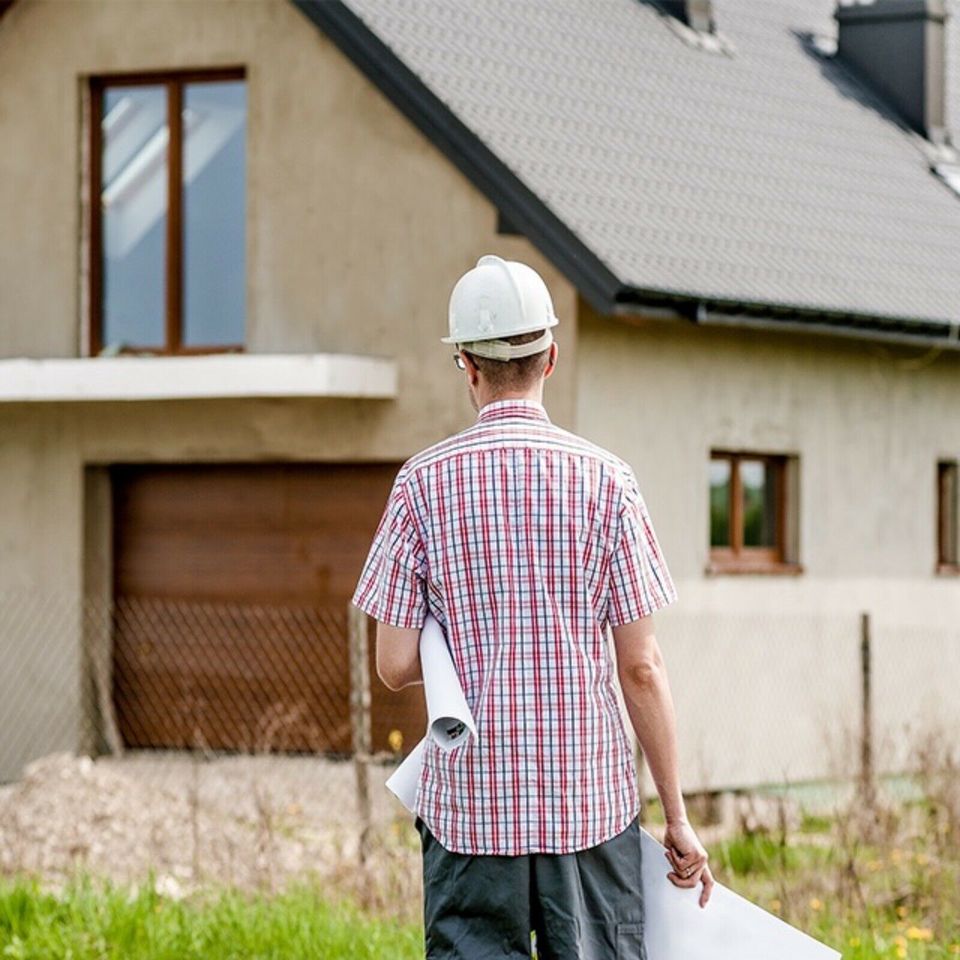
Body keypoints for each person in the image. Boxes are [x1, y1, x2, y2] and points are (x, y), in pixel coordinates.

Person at [351, 254, 714, 960]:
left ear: (466, 364)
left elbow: (393, 664)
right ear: (551, 355)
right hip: (590, 807)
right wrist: (676, 816)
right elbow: (640, 668)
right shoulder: (609, 482)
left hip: (470, 819)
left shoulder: (421, 485)